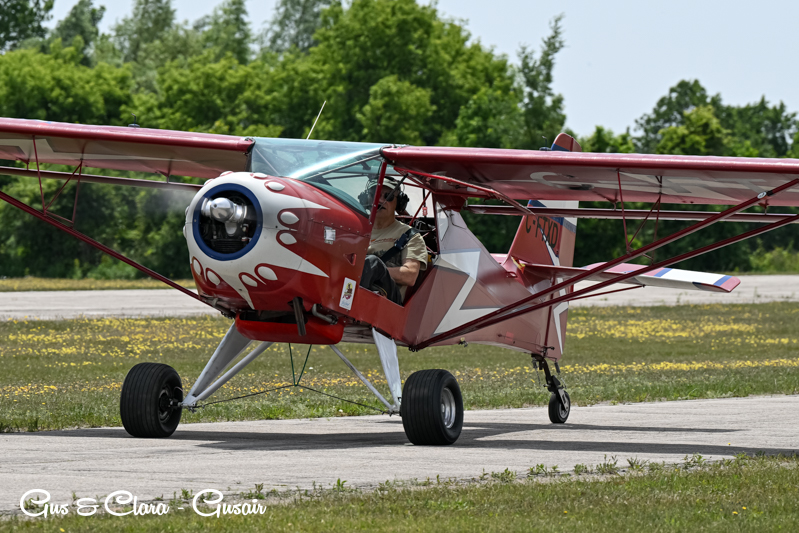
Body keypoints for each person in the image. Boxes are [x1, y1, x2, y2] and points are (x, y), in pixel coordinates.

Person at [359, 178, 427, 304]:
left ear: (399, 203)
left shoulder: (409, 235)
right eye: (375, 195)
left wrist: (373, 270)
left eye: (388, 197)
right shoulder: (355, 229)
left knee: (372, 263)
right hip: (353, 287)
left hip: (387, 301)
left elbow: (410, 275)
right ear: (366, 199)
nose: (380, 200)